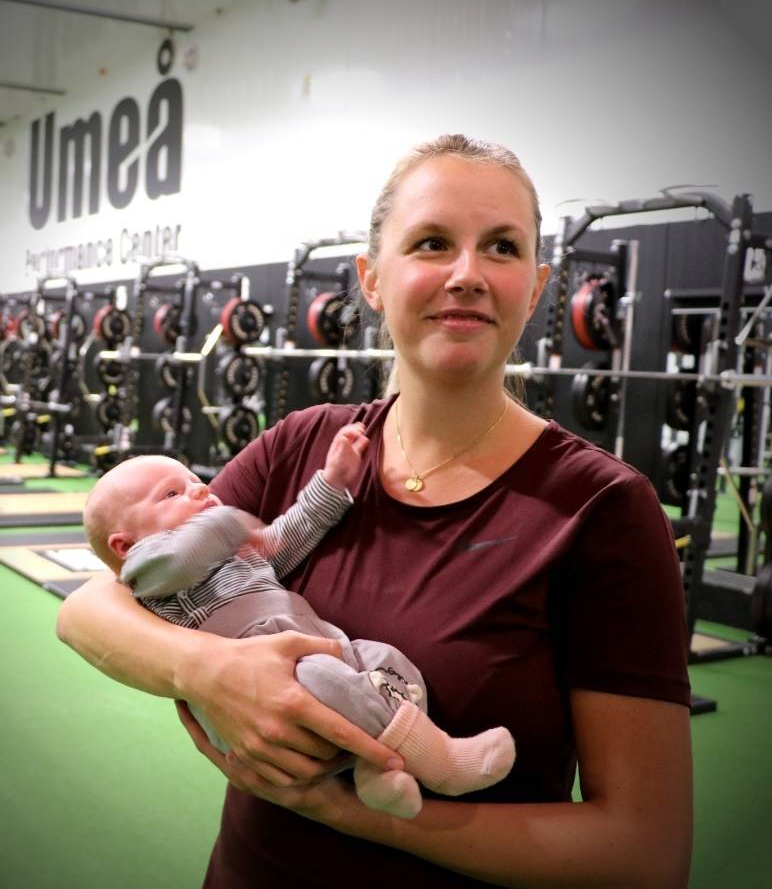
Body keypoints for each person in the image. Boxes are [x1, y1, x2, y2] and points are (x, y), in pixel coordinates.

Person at [57, 134, 693, 888]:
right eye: (432, 243)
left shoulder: (604, 508)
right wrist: (213, 672)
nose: (467, 274)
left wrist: (362, 814)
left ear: (536, 288)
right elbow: (91, 606)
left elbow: (644, 854)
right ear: (372, 280)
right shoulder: (302, 445)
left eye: (502, 247)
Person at [82, 426, 516, 820]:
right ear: (124, 545)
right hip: (269, 678)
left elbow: (286, 535)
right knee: (325, 677)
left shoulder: (232, 550)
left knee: (385, 659)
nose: (201, 490)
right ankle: (440, 761)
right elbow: (181, 556)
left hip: (318, 647)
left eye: (196, 482)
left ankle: (378, 771)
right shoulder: (149, 570)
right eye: (171, 494)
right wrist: (225, 521)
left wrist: (333, 480)